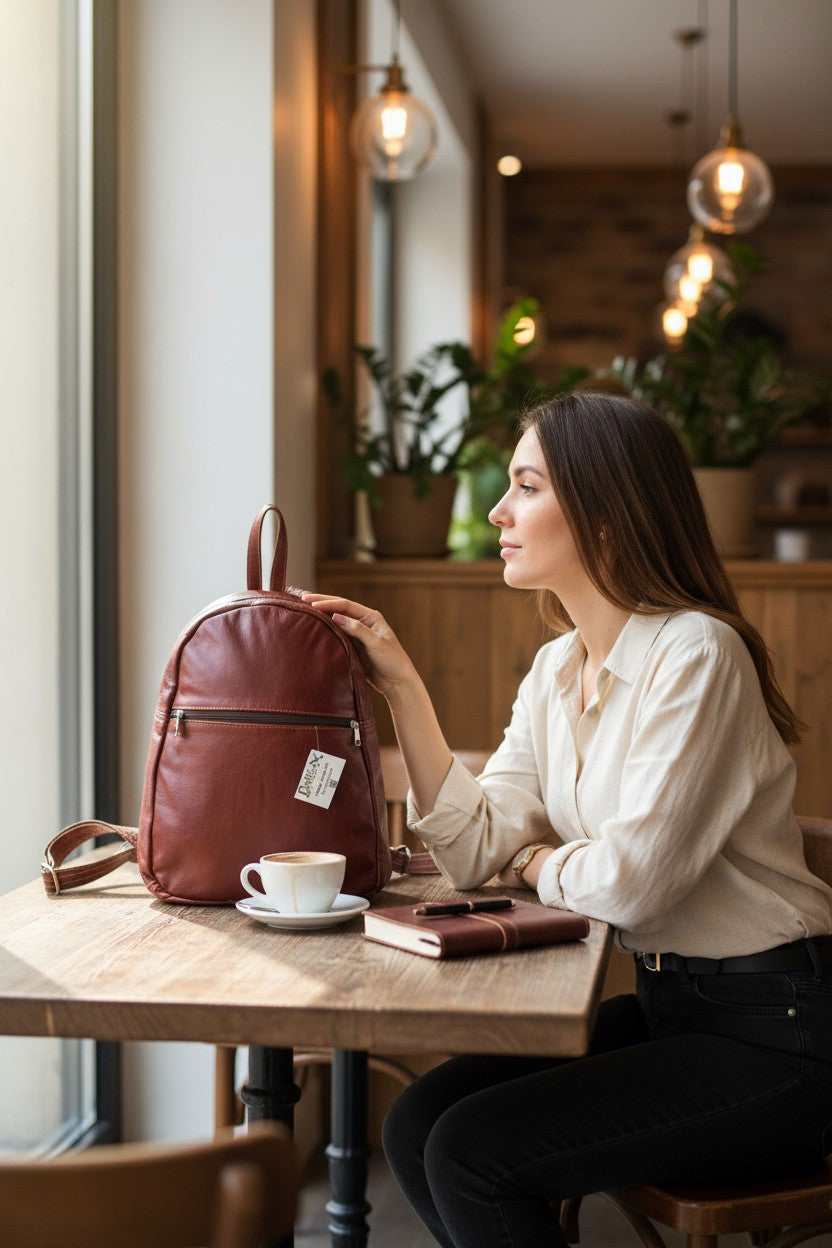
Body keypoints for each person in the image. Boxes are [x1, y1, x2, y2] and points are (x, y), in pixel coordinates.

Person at [303, 391, 832, 1248]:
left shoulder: (697, 653)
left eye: (527, 487)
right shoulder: (557, 668)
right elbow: (475, 849)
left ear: (606, 517)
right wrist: (402, 686)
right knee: (416, 1124)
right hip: (672, 1010)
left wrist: (536, 863)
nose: (497, 511)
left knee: (473, 1155)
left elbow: (627, 886)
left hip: (779, 1036)